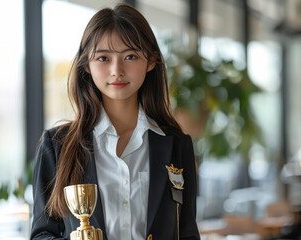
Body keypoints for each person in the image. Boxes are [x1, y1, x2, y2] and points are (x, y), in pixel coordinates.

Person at [31, 3, 200, 240]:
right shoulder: (56, 146)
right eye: (103, 58)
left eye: (130, 56)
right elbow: (41, 235)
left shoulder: (177, 145)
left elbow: (188, 234)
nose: (116, 70)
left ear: (151, 61)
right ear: (86, 66)